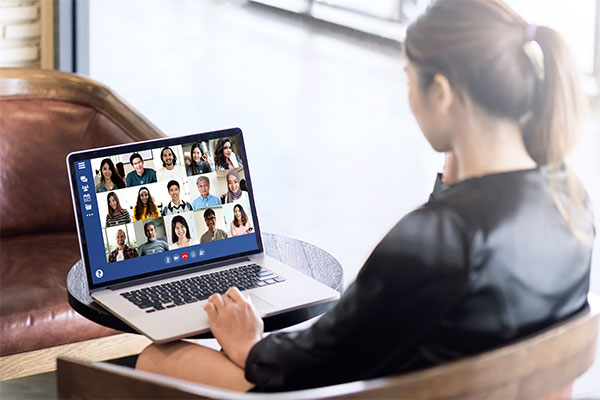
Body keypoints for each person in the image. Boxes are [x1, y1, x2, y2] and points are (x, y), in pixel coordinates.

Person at [136, 0, 594, 393]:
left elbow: (317, 363)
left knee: (158, 358)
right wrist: (453, 182)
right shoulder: (568, 199)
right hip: (471, 388)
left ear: (442, 91)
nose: (409, 95)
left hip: (370, 392)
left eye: (410, 78)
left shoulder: (438, 239)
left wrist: (251, 344)